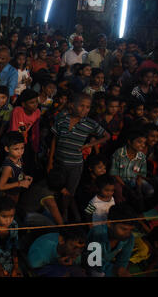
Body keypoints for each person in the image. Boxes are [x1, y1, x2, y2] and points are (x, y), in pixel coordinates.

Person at [48, 93, 110, 222]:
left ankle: (64, 214)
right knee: (56, 189)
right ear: (73, 105)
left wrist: (89, 144)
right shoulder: (62, 119)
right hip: (59, 162)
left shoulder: (89, 123)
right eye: (81, 106)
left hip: (75, 165)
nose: (84, 109)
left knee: (69, 193)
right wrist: (50, 161)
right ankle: (56, 214)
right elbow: (54, 140)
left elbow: (106, 136)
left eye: (87, 107)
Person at [86, 204, 136, 277]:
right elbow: (93, 262)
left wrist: (120, 270)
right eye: (124, 229)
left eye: (131, 229)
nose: (128, 233)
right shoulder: (97, 233)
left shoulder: (129, 238)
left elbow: (123, 261)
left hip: (105, 268)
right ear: (109, 224)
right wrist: (116, 270)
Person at [110, 129, 152, 211]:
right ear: (129, 142)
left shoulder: (142, 157)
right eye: (139, 142)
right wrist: (125, 187)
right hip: (119, 180)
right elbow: (114, 174)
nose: (142, 145)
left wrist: (139, 189)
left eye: (144, 143)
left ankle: (142, 211)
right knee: (120, 195)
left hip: (133, 179)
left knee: (149, 191)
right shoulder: (119, 154)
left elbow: (140, 175)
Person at [0, 131, 34, 205]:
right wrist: (20, 183)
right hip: (8, 195)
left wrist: (24, 176)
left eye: (22, 148)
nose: (20, 152)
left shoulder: (19, 158)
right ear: (7, 149)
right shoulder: (8, 167)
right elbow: (1, 186)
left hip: (16, 192)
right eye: (16, 149)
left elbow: (19, 171)